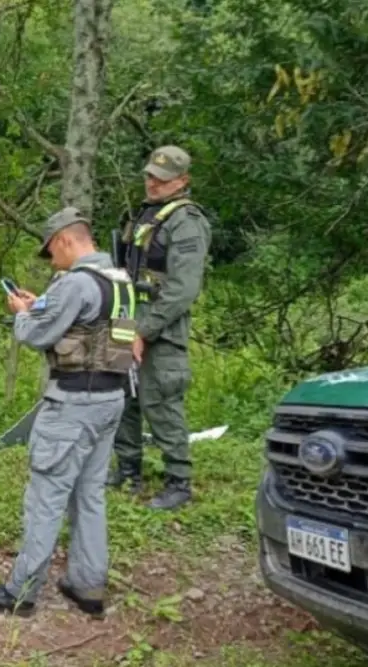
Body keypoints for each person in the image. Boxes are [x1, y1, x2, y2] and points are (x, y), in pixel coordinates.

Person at [0, 207, 135, 617]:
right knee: (90, 494)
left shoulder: (76, 282)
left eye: (52, 252)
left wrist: (23, 314)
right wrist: (41, 302)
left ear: (65, 239)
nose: (52, 261)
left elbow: (37, 333)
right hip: (111, 400)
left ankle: (20, 592)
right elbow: (90, 324)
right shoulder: (121, 282)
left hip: (72, 406)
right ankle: (87, 585)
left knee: (46, 497)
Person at [108, 145, 211, 510]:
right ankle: (129, 470)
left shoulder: (187, 222)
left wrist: (145, 330)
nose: (153, 182)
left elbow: (184, 288)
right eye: (150, 175)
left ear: (182, 181)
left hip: (162, 328)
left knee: (161, 399)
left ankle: (178, 482)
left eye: (162, 178)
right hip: (128, 318)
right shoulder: (145, 215)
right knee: (125, 396)